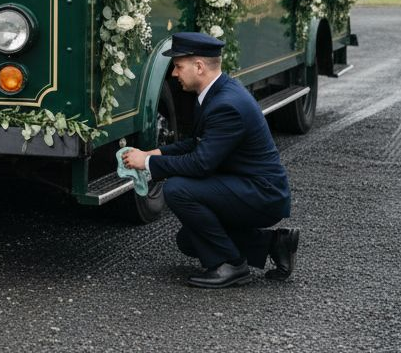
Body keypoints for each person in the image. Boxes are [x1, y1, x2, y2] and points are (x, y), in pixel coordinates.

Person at [122, 31, 301, 288]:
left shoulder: (225, 104)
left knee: (177, 189)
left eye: (178, 66)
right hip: (246, 184)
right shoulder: (217, 91)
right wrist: (157, 153)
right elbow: (198, 143)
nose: (174, 73)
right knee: (188, 241)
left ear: (199, 66)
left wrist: (147, 164)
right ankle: (275, 244)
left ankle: (231, 264)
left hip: (262, 195)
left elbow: (200, 164)